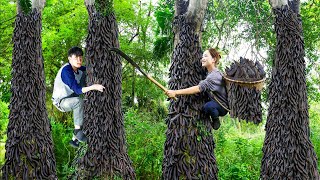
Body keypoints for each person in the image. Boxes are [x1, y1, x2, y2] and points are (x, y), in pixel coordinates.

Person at [52, 46, 105, 148]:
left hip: (72, 96)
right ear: (69, 58)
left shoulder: (78, 68)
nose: (79, 60)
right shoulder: (66, 71)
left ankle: (74, 140)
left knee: (82, 103)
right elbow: (77, 89)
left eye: (80, 57)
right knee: (78, 101)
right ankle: (77, 130)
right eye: (76, 57)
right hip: (61, 101)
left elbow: (89, 69)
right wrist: (94, 87)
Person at [166, 48, 229, 130]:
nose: (202, 58)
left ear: (213, 59)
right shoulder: (210, 72)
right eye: (202, 56)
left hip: (221, 107)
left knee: (207, 107)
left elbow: (198, 88)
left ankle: (215, 119)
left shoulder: (214, 76)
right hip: (215, 101)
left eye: (206, 56)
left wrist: (175, 92)